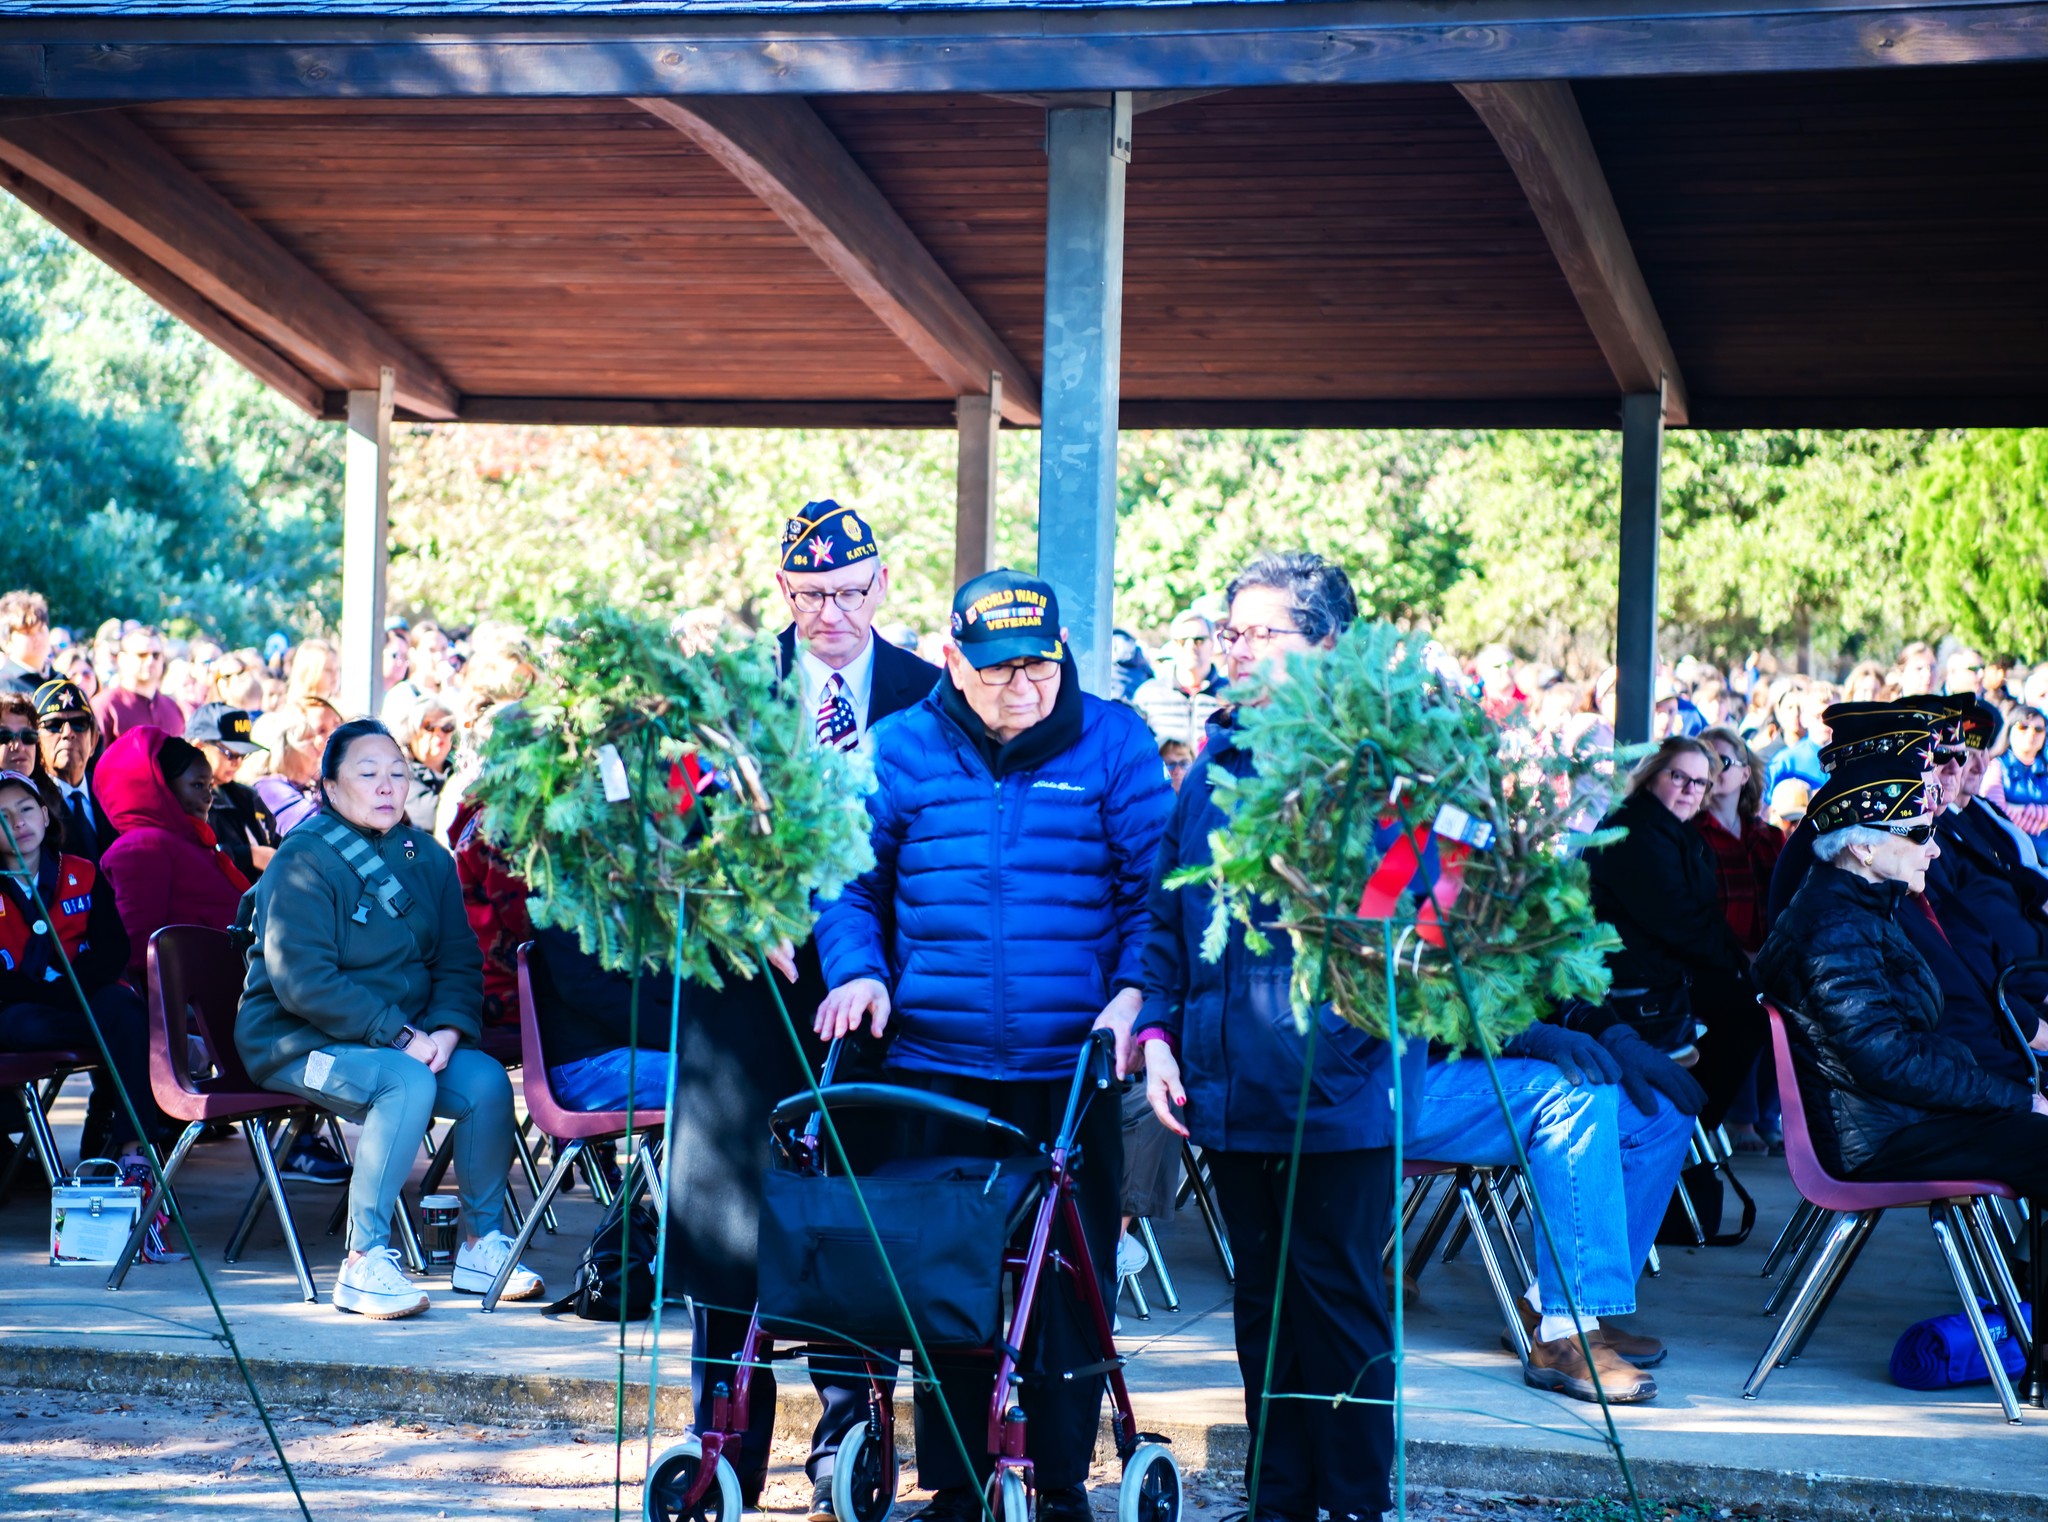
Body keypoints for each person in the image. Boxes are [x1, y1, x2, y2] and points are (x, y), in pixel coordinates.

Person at [815, 567, 1170, 1522]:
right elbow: (844, 883)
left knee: (1061, 1291)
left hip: (1070, 1071)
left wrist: (1133, 994)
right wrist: (857, 970)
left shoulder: (1116, 743)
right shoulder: (897, 749)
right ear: (951, 659)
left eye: (1040, 666)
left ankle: (1058, 1486)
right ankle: (961, 1487)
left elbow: (1154, 894)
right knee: (949, 1288)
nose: (1023, 686)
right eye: (999, 668)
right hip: (934, 1067)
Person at [671, 501, 941, 1521]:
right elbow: (677, 830)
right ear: (781, 592)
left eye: (846, 591)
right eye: (807, 593)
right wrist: (741, 903)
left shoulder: (931, 690)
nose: (827, 613)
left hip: (873, 995)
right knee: (725, 1215)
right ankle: (719, 1444)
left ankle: (850, 1438)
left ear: (882, 585)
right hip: (742, 993)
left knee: (853, 1212)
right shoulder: (728, 695)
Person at [1140, 552, 1414, 1522]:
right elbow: (1168, 915)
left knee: (1335, 1304)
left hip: (1334, 1091)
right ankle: (1277, 1496)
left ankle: (1351, 1500)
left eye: (1263, 634)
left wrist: (1344, 1027)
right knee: (1259, 1306)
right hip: (1223, 1084)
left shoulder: (1376, 760)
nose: (1238, 651)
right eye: (1232, 632)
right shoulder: (1214, 760)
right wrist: (1161, 1032)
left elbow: (1419, 907)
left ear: (1328, 647)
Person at [236, 718, 542, 1320]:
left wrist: (449, 1032)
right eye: (367, 773)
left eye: (397, 774)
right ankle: (363, 1260)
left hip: (397, 1040)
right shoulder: (302, 859)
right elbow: (303, 981)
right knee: (407, 1081)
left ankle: (481, 1245)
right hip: (295, 1042)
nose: (386, 786)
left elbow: (459, 959)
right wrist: (403, 1036)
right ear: (327, 786)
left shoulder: (426, 857)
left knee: (482, 1081)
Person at [1755, 757, 2048, 1206]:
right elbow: (1888, 1059)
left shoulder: (1859, 908)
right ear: (1864, 849)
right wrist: (2015, 1100)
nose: (1933, 849)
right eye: (1918, 833)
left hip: (1895, 1118)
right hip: (1882, 1135)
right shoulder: (1835, 928)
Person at [1410, 1017, 1697, 1403]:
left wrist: (1612, 1033)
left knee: (1660, 1114)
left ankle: (1550, 1304)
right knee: (1574, 1095)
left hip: (1481, 1054)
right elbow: (1429, 996)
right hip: (1390, 1074)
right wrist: (1531, 1035)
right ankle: (1564, 1331)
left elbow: (1553, 979)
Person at [0, 768, 169, 1168]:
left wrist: (71, 991)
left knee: (124, 1011)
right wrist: (48, 995)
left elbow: (113, 950)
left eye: (25, 809)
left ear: (45, 814)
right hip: (25, 1009)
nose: (17, 822)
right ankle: (141, 1040)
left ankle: (135, 1151)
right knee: (24, 1025)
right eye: (2, 816)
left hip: (85, 996)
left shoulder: (83, 873)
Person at [1764, 699, 1949, 927]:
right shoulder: (1832, 890)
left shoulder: (1880, 876)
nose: (1931, 804)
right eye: (1921, 790)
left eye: (1933, 790)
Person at [95, 727, 251, 983]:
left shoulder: (185, 841)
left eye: (209, 785)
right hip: (202, 999)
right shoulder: (141, 848)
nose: (208, 797)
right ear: (159, 788)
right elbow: (141, 951)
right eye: (198, 785)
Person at [187, 704, 278, 882]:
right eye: (229, 753)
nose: (237, 763)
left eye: (242, 755)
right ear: (199, 747)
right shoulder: (182, 800)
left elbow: (273, 838)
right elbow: (191, 857)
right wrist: (249, 855)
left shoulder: (247, 796)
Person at [34, 680, 117, 864]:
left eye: (79, 723)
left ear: (94, 740)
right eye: (53, 724)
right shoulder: (30, 801)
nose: (68, 733)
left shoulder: (113, 794)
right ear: (35, 741)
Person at [1130, 610, 1228, 748]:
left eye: (1198, 640)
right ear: (1173, 645)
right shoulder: (1148, 695)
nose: (1191, 647)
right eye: (1183, 641)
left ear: (1212, 644)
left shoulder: (1230, 694)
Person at [92, 625, 185, 741]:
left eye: (156, 655)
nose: (150, 661)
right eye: (142, 655)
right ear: (122, 659)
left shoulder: (173, 708)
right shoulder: (104, 705)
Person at [389, 697, 458, 832]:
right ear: (410, 734)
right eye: (429, 727)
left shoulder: (461, 769)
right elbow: (434, 818)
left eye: (447, 727)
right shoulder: (400, 773)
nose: (439, 734)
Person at [1984, 704, 2048, 846]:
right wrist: (2037, 825)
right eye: (2023, 727)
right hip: (2010, 845)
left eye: (2038, 729)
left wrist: (2022, 809)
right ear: (2009, 730)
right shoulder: (1994, 766)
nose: (2031, 734)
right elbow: (1995, 812)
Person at [0, 590, 55, 695]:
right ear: (6, 642)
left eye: (41, 629)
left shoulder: (62, 681)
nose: (38, 637)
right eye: (28, 632)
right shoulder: (3, 686)